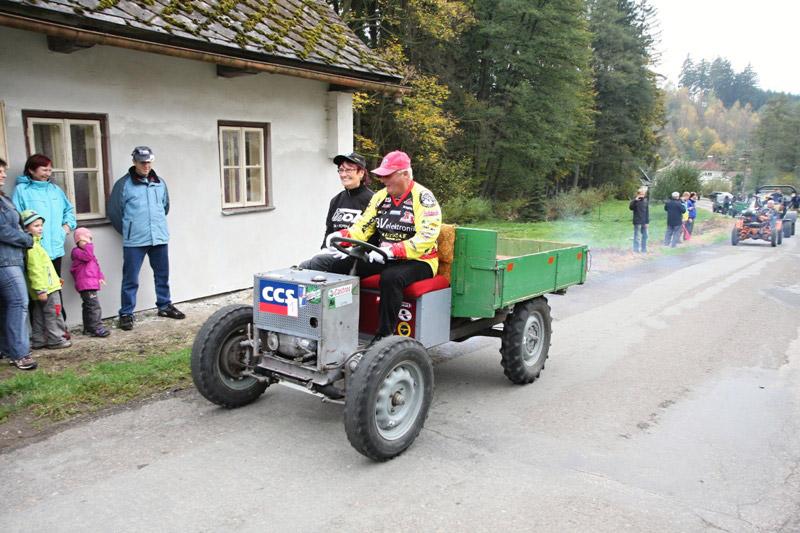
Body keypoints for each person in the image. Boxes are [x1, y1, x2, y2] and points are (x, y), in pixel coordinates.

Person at [324, 150, 441, 340]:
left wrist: (392, 250)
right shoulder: (380, 197)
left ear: (405, 174)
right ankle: (338, 325)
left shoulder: (423, 198)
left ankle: (384, 336)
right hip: (385, 255)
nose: (383, 180)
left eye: (388, 175)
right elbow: (363, 227)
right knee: (339, 267)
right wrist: (341, 236)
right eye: (381, 175)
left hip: (420, 260)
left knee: (391, 278)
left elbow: (426, 237)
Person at [107, 146, 184, 331]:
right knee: (130, 278)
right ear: (134, 162)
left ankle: (164, 306)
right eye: (142, 163)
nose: (146, 166)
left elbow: (165, 207)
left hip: (159, 238)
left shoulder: (160, 183)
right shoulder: (123, 185)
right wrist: (130, 230)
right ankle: (126, 313)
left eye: (149, 162)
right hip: (135, 241)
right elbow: (115, 212)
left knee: (162, 275)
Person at [299, 152, 373, 273]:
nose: (343, 174)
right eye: (341, 170)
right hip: (334, 253)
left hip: (358, 256)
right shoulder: (336, 200)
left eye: (349, 170)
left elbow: (374, 236)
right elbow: (329, 230)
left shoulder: (372, 200)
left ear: (361, 173)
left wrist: (353, 250)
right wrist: (324, 249)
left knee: (312, 265)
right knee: (304, 267)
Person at [12, 154, 76, 276]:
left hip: (56, 247)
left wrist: (66, 228)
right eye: (44, 170)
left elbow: (69, 211)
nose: (48, 174)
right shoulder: (21, 190)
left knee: (56, 284)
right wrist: (28, 238)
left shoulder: (55, 190)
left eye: (50, 170)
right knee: (39, 284)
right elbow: (15, 219)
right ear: (31, 170)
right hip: (34, 249)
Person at [0, 158, 37, 370]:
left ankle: (6, 348)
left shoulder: (3, 198)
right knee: (19, 302)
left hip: (12, 258)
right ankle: (20, 354)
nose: (4, 175)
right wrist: (26, 239)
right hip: (4, 261)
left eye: (4, 171)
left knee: (7, 305)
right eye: (0, 171)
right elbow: (3, 231)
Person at [20, 210, 71, 350]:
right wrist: (41, 289)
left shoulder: (35, 245)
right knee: (54, 312)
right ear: (26, 229)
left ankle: (39, 339)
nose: (40, 228)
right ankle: (56, 339)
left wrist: (55, 279)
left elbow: (45, 268)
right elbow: (35, 271)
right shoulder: (32, 248)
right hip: (46, 289)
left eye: (41, 225)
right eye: (36, 226)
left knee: (39, 314)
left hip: (44, 287)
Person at [70, 227, 110, 337]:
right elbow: (87, 257)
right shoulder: (77, 252)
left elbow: (96, 265)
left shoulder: (90, 253)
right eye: (84, 241)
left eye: (89, 240)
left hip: (91, 284)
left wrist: (100, 277)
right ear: (78, 242)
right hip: (85, 284)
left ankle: (88, 328)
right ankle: (97, 328)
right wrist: (89, 245)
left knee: (88, 306)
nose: (87, 243)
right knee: (94, 307)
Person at [629, 186, 649, 253]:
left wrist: (647, 222)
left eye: (643, 194)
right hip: (637, 221)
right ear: (638, 194)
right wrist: (635, 200)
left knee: (645, 236)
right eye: (641, 194)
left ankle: (644, 249)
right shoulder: (635, 201)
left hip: (644, 221)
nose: (642, 196)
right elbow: (631, 208)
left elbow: (647, 212)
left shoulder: (645, 201)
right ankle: (636, 250)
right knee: (637, 237)